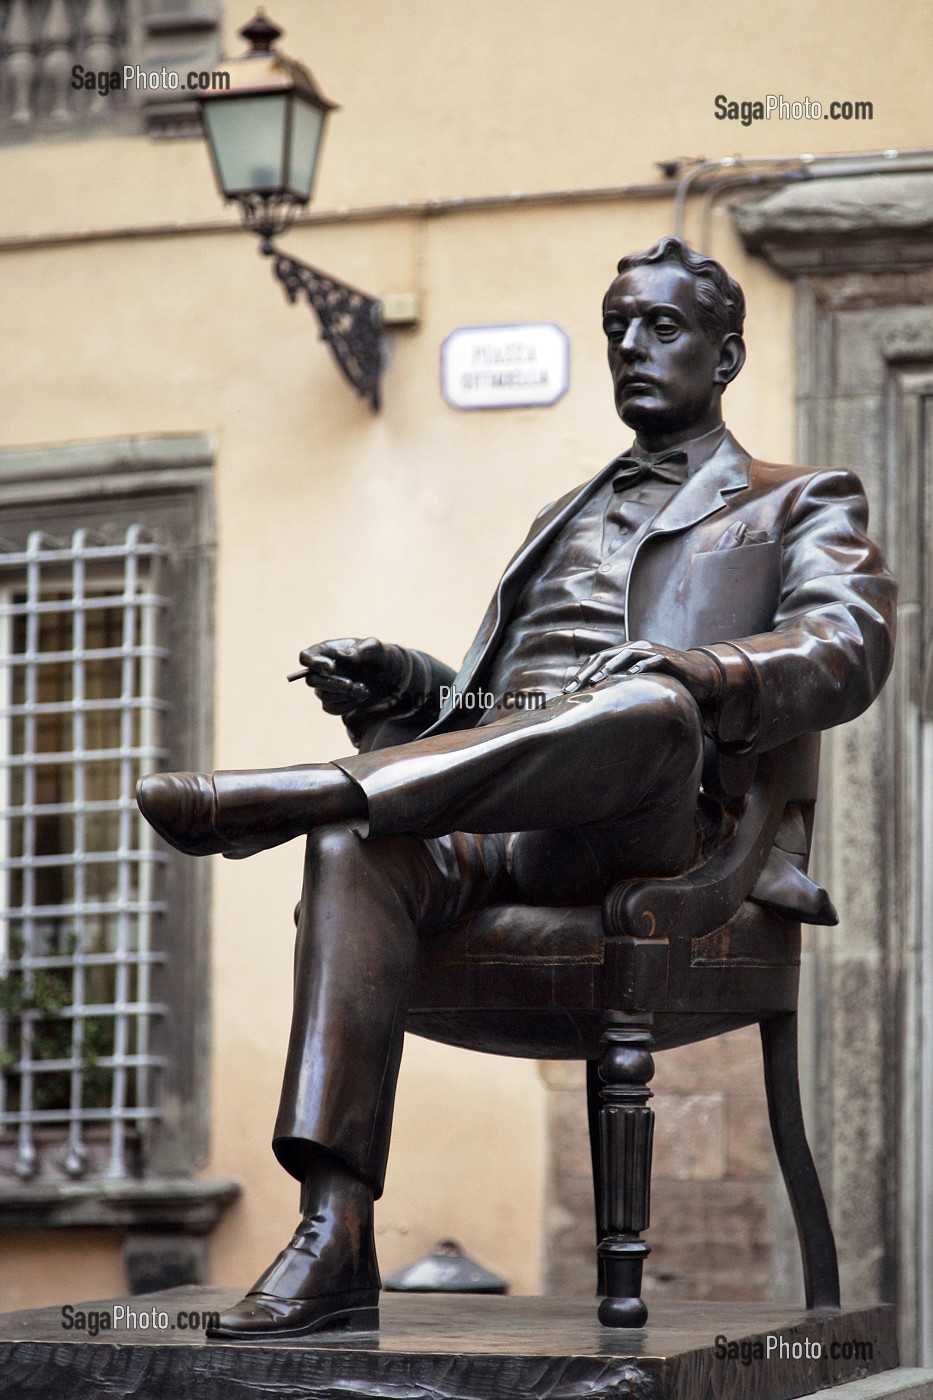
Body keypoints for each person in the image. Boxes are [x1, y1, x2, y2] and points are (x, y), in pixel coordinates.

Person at [137, 238, 896, 1338]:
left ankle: (318, 789)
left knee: (646, 706)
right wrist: (402, 680)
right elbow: (487, 717)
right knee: (358, 843)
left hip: (656, 826)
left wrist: (699, 665)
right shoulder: (558, 509)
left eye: (663, 326)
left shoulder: (798, 499)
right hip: (506, 803)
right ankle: (334, 1232)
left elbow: (849, 644)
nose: (632, 344)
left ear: (727, 354)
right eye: (617, 326)